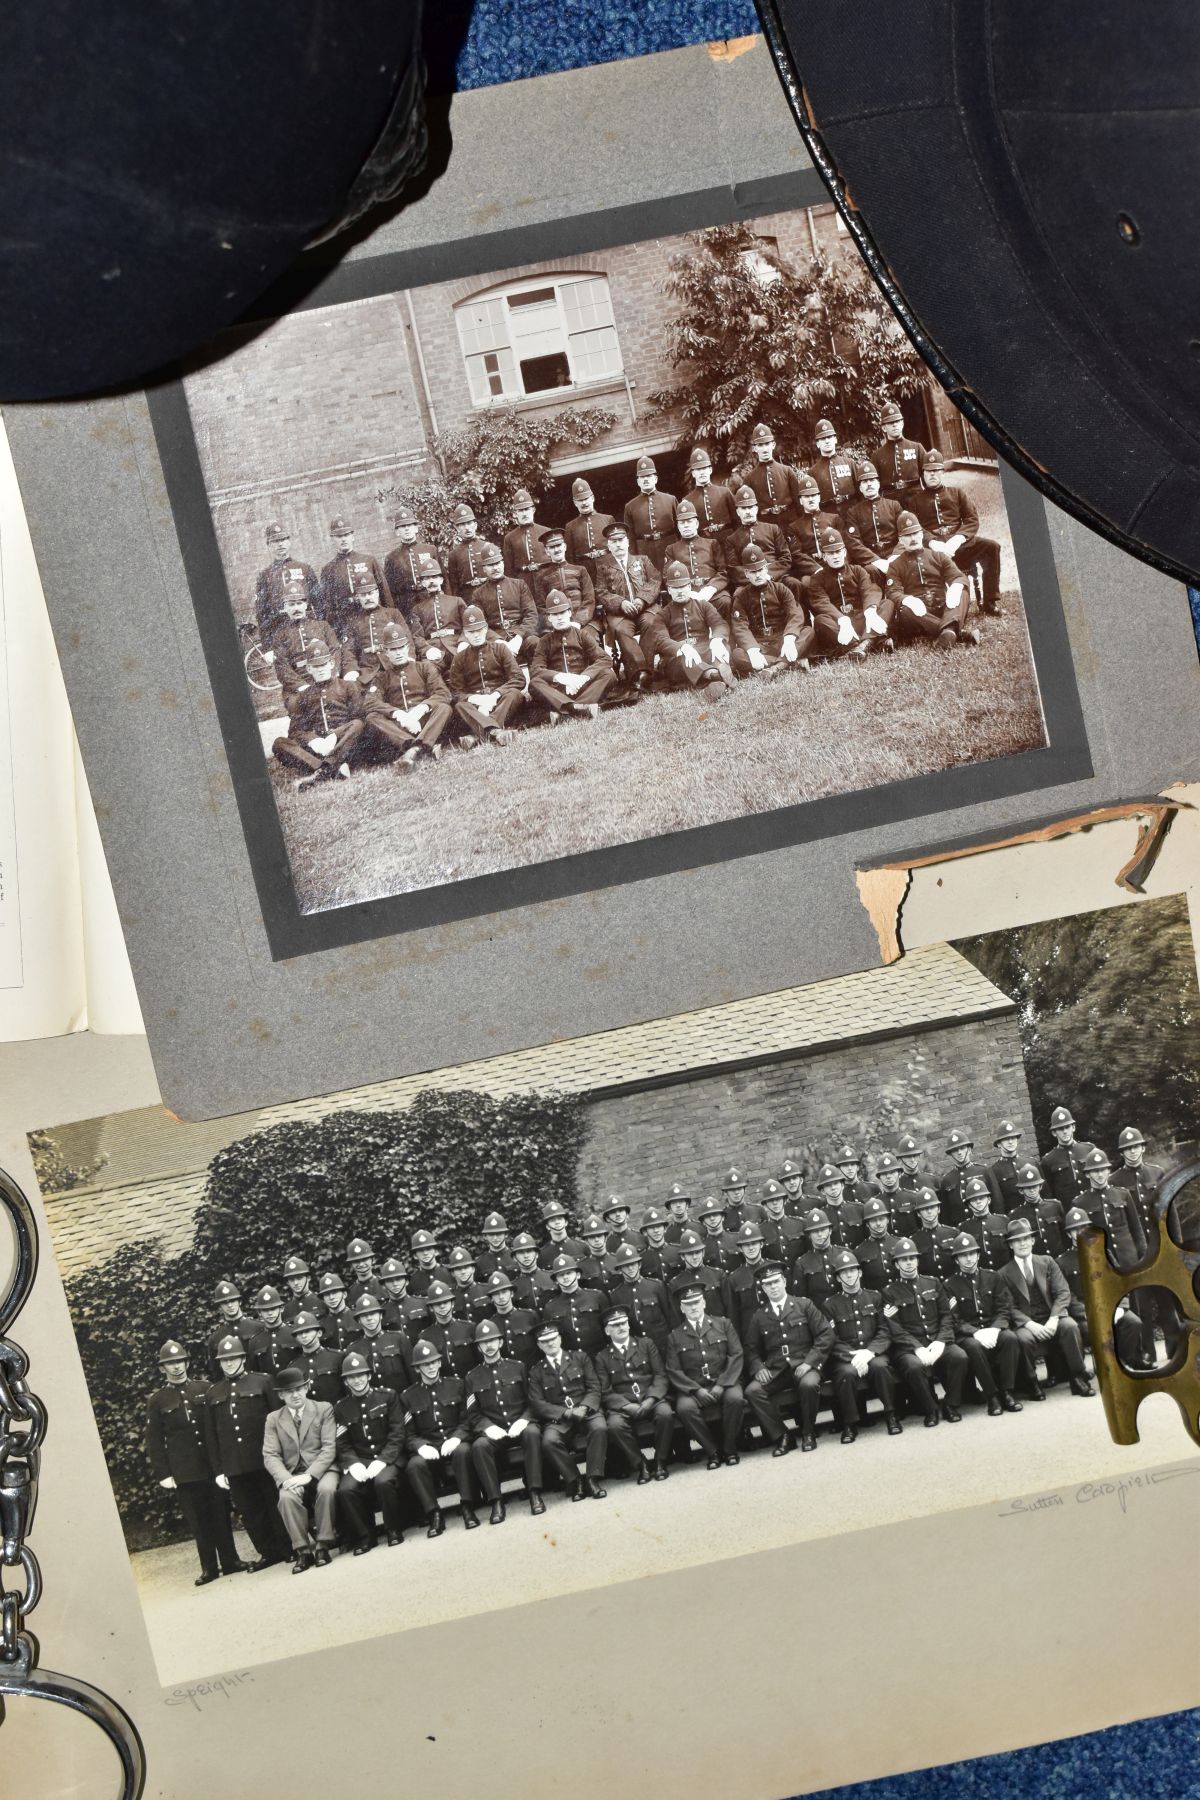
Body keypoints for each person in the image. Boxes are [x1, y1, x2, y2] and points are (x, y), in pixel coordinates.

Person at [146, 1340, 245, 1586]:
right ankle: (209, 1568)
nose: (176, 1367)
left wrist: (222, 1464)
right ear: (162, 1369)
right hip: (185, 1472)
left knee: (220, 1514)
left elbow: (216, 1428)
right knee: (198, 1521)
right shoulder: (157, 1400)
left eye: (179, 1361)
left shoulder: (205, 1388)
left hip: (210, 1466)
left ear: (187, 1362)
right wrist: (164, 1473)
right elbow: (155, 1440)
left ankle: (231, 1561)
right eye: (170, 1363)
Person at [202, 1335, 291, 1570]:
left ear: (243, 1358)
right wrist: (219, 1470)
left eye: (234, 1358)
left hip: (264, 1459)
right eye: (224, 1360)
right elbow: (211, 1434)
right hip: (235, 1464)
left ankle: (288, 1548)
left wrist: (283, 1456)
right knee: (250, 1512)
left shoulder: (262, 1382)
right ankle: (268, 1552)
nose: (229, 1363)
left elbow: (280, 1421)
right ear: (219, 1363)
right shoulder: (213, 1393)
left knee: (274, 1504)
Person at [993, 1219, 1094, 1398]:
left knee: (1070, 1326)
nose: (1022, 1243)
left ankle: (1078, 1378)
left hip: (1052, 1316)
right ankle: (1032, 1383)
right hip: (1027, 1324)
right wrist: (1030, 1324)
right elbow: (1008, 1307)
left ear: (1033, 1241)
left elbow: (1063, 1293)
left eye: (1026, 1238)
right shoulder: (1003, 1273)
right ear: (1010, 1245)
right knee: (1023, 1339)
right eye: (1017, 1240)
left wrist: (1054, 1318)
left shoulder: (1047, 1262)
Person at [744, 1262, 834, 1453]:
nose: (773, 1287)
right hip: (777, 1370)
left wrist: (810, 1362)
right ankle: (783, 1436)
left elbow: (825, 1334)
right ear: (763, 1288)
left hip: (804, 1364)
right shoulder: (759, 1316)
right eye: (768, 1284)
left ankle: (808, 1432)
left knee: (809, 1385)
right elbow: (750, 1349)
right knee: (753, 1391)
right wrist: (759, 1367)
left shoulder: (803, 1304)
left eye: (776, 1281)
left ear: (784, 1281)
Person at [881, 1238, 968, 1426]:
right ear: (896, 1263)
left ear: (918, 1261)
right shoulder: (890, 1292)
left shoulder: (933, 1283)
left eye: (912, 1258)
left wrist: (940, 1341)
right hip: (909, 1348)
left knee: (959, 1357)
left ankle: (951, 1404)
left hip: (937, 1341)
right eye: (904, 1259)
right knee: (913, 1367)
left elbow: (947, 1316)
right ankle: (930, 1409)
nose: (909, 1262)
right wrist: (917, 1348)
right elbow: (895, 1327)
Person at [261, 1367, 340, 1572]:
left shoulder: (323, 1409)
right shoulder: (273, 1418)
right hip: (292, 1474)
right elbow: (270, 1455)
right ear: (280, 1395)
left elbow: (329, 1447)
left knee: (326, 1490)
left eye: (299, 1389)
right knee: (286, 1498)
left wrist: (309, 1475)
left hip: (322, 1469)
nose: (295, 1395)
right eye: (289, 1391)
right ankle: (303, 1551)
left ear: (306, 1388)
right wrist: (286, 1479)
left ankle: (323, 1545)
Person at [466, 1319, 545, 1520]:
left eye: (493, 1340)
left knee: (533, 1432)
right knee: (479, 1446)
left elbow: (533, 1401)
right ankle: (496, 1500)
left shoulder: (518, 1367)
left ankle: (534, 1492)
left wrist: (524, 1419)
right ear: (478, 1347)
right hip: (496, 1432)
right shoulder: (472, 1377)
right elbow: (473, 1414)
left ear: (501, 1342)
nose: (489, 1346)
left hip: (520, 1425)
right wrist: (488, 1427)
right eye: (484, 1342)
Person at [909, 450, 1003, 616]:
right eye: (928, 472)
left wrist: (958, 538)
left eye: (936, 471)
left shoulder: (956, 493)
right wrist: (932, 542)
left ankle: (990, 602)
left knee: (991, 547)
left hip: (961, 545)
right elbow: (916, 528)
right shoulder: (915, 501)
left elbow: (971, 519)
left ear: (942, 472)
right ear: (923, 474)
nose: (932, 475)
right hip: (934, 550)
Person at [402, 1337, 481, 1535]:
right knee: (414, 1465)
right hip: (430, 1446)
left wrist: (457, 1437)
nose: (429, 1367)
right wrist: (420, 1446)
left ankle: (467, 1505)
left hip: (453, 1440)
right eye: (424, 1364)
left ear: (439, 1362)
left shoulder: (456, 1385)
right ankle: (434, 1514)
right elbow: (408, 1434)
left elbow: (467, 1419)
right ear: (417, 1369)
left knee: (463, 1451)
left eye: (433, 1362)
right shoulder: (407, 1396)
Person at [823, 1250, 903, 1442]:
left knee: (881, 1367)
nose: (849, 1275)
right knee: (846, 1374)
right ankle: (850, 1424)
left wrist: (869, 1352)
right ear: (838, 1277)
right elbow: (831, 1339)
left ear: (860, 1273)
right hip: (846, 1356)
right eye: (844, 1272)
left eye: (852, 1270)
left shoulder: (875, 1297)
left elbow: (884, 1330)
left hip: (873, 1352)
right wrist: (853, 1356)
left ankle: (891, 1415)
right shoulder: (830, 1305)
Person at [664, 1285, 745, 1468]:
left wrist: (721, 1385)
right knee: (685, 1408)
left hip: (724, 1382)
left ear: (704, 1303)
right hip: (695, 1388)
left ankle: (729, 1448)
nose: (693, 1307)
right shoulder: (675, 1336)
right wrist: (696, 1390)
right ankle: (713, 1451)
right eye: (688, 1304)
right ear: (681, 1308)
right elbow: (674, 1370)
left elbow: (736, 1355)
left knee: (736, 1399)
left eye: (697, 1302)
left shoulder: (723, 1324)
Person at [527, 1321, 608, 1500]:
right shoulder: (536, 1371)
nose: (550, 1343)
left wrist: (585, 1407)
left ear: (560, 1338)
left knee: (599, 1427)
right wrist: (566, 1413)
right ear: (539, 1345)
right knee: (549, 1441)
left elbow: (594, 1387)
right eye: (545, 1341)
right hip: (560, 1419)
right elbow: (537, 1403)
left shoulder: (580, 1357)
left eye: (553, 1338)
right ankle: (575, 1479)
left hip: (586, 1412)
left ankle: (593, 1478)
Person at [333, 1351, 405, 1552]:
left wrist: (383, 1460)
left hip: (387, 1457)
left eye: (360, 1375)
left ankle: (393, 1530)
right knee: (346, 1490)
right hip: (361, 1459)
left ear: (369, 1376)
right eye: (351, 1377)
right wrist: (353, 1463)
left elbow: (397, 1433)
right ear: (346, 1381)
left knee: (383, 1482)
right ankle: (366, 1536)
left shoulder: (388, 1396)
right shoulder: (341, 1408)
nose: (356, 1380)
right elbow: (342, 1442)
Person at [943, 1232, 1023, 1414]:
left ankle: (1007, 1392)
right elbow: (954, 1319)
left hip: (993, 1327)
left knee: (1009, 1338)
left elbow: (1004, 1308)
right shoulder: (949, 1285)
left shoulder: (993, 1277)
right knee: (973, 1347)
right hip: (968, 1335)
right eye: (963, 1255)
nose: (968, 1258)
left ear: (978, 1255)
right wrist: (975, 1332)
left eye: (972, 1253)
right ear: (956, 1260)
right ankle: (992, 1396)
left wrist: (995, 1329)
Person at [593, 1307, 676, 1481]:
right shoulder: (602, 1357)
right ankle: (641, 1464)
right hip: (623, 1405)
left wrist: (651, 1399)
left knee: (665, 1414)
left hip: (651, 1398)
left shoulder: (646, 1344)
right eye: (615, 1325)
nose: (621, 1327)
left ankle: (660, 1460)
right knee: (615, 1426)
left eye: (623, 1323)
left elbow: (660, 1375)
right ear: (607, 1331)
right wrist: (626, 1406)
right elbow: (605, 1391)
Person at [272, 638, 364, 790]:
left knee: (358, 725)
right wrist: (314, 741)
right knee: (280, 743)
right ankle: (330, 767)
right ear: (309, 669)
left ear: (331, 664)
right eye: (316, 666)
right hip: (318, 749)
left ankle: (324, 770)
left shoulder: (347, 687)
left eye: (323, 664)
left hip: (344, 743)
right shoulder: (304, 696)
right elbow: (295, 730)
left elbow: (359, 717)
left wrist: (335, 735)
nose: (320, 669)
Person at [361, 623, 453, 770]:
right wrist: (398, 714)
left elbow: (443, 693)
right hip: (400, 728)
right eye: (393, 649)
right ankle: (418, 745)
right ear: (386, 652)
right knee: (372, 717)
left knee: (444, 708)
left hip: (425, 722)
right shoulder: (382, 677)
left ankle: (413, 750)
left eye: (400, 648)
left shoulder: (424, 667)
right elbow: (370, 702)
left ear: (407, 647)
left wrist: (421, 709)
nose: (398, 653)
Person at [886, 512, 979, 649]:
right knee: (905, 610)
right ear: (900, 540)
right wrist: (908, 599)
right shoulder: (895, 565)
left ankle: (948, 633)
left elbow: (958, 576)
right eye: (907, 535)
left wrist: (956, 586)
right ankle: (954, 632)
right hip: (919, 615)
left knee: (962, 590)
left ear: (922, 534)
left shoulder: (939, 556)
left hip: (943, 608)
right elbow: (892, 592)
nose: (913, 538)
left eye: (916, 533)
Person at [643, 562, 735, 689]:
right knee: (685, 660)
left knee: (721, 647)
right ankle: (715, 675)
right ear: (669, 590)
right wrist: (682, 648)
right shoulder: (662, 614)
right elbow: (661, 640)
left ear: (690, 586)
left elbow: (719, 624)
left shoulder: (703, 605)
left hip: (703, 650)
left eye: (683, 586)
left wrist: (717, 640)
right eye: (675, 588)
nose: (680, 591)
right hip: (679, 657)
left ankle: (715, 678)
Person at [528, 589, 615, 719]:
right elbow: (535, 670)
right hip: (559, 691)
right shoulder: (544, 641)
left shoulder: (582, 634)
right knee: (534, 684)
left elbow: (604, 659)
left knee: (609, 674)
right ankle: (578, 708)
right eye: (555, 614)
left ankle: (567, 710)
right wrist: (560, 677)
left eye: (562, 612)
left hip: (584, 687)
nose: (559, 617)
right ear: (549, 618)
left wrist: (583, 678)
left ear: (569, 612)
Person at [446, 605, 525, 747]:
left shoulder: (500, 649)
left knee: (514, 694)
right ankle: (495, 732)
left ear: (486, 628)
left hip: (500, 701)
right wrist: (476, 699)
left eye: (479, 630)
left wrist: (494, 695)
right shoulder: (459, 658)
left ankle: (477, 736)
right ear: (465, 633)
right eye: (471, 632)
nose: (476, 635)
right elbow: (456, 692)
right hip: (476, 706)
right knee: (460, 705)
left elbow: (518, 678)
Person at [807, 528, 891, 659]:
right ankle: (873, 642)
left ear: (845, 552)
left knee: (887, 604)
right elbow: (821, 602)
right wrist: (842, 619)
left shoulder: (857, 570)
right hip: (839, 626)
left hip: (862, 619)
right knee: (820, 621)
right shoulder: (817, 579)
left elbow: (869, 590)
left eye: (838, 551)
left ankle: (860, 646)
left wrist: (870, 611)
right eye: (830, 553)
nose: (835, 556)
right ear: (824, 556)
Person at [594, 522, 661, 687]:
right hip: (620, 614)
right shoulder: (603, 566)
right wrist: (621, 603)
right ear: (609, 545)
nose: (618, 544)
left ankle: (646, 671)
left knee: (651, 623)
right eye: (614, 541)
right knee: (621, 630)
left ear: (628, 541)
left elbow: (655, 580)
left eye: (621, 540)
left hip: (645, 609)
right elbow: (601, 592)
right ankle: (639, 672)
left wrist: (641, 599)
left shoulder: (642, 560)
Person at [727, 544, 812, 674]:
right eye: (753, 572)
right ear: (746, 573)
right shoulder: (741, 596)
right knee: (738, 654)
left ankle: (775, 667)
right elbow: (740, 626)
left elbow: (795, 614)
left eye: (760, 570)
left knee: (808, 632)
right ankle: (788, 663)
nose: (758, 575)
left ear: (766, 568)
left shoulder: (781, 589)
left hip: (782, 640)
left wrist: (789, 639)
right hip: (760, 644)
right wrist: (752, 650)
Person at [1078, 1146, 1148, 1270]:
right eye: (1095, 1171)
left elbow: (1136, 1229)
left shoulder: (1123, 1194)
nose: (1100, 1174)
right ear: (1087, 1174)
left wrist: (1143, 1256)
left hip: (1129, 1258)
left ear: (1109, 1171)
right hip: (1104, 1264)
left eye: (1103, 1170)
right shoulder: (1080, 1203)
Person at [340, 574, 414, 688]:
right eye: (363, 595)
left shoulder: (393, 614)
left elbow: (407, 639)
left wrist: (409, 658)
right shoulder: (352, 622)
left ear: (377, 593)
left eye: (370, 593)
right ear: (358, 597)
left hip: (393, 665)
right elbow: (348, 649)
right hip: (367, 671)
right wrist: (351, 670)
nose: (368, 598)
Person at [318, 517, 391, 634]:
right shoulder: (328, 569)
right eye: (339, 536)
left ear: (353, 536)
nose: (343, 539)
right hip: (346, 621)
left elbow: (384, 592)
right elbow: (328, 604)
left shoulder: (369, 560)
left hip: (373, 615)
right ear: (332, 539)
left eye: (346, 535)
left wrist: (389, 616)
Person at [267, 588, 345, 695]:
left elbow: (335, 651)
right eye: (291, 605)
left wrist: (331, 676)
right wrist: (301, 686)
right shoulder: (280, 635)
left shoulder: (323, 626)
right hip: (299, 684)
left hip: (326, 677)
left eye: (299, 603)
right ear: (285, 607)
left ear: (306, 605)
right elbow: (282, 666)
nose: (296, 608)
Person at [254, 522, 319, 645]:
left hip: (307, 627)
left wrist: (321, 630)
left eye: (283, 539)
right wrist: (267, 646)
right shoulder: (264, 576)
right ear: (268, 545)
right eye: (275, 541)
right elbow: (261, 614)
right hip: (280, 631)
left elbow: (319, 603)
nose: (280, 544)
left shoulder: (305, 569)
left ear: (289, 541)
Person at [474, 541, 539, 662]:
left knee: (535, 643)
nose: (495, 568)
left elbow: (531, 615)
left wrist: (519, 637)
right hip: (496, 638)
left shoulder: (519, 585)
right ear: (484, 568)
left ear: (503, 563)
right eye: (490, 564)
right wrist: (498, 641)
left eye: (498, 563)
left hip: (521, 635)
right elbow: (481, 624)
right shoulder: (478, 594)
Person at [734, 422, 805, 533]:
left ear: (773, 445)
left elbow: (798, 501)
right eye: (760, 445)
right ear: (755, 448)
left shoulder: (787, 471)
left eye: (767, 444)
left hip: (790, 523)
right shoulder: (750, 478)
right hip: (766, 527)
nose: (764, 449)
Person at [662, 498, 730, 611]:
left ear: (696, 523)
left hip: (711, 591)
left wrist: (711, 588)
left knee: (725, 602)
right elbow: (667, 577)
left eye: (689, 521)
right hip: (686, 593)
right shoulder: (671, 549)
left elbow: (723, 571)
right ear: (678, 526)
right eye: (682, 523)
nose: (686, 525)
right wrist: (687, 592)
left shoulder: (712, 543)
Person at [844, 461, 904, 583]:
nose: (869, 484)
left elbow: (904, 533)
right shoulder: (853, 512)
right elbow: (853, 542)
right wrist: (875, 560)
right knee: (870, 570)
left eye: (872, 480)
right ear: (860, 488)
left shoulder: (893, 505)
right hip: (871, 557)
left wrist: (895, 555)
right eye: (864, 482)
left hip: (893, 552)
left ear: (878, 483)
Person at [608, 1243, 673, 1354]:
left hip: (662, 1345)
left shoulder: (656, 1286)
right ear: (620, 1269)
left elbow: (670, 1316)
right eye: (626, 1265)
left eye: (633, 1264)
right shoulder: (616, 1295)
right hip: (638, 1350)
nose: (630, 1268)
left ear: (639, 1265)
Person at [383, 505, 443, 623]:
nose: (407, 529)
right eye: (402, 526)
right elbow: (390, 591)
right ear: (397, 532)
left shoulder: (430, 550)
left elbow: (444, 578)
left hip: (430, 597)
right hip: (407, 605)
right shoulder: (392, 558)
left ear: (416, 528)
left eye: (410, 525)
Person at [725, 486, 795, 585]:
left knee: (794, 584)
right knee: (738, 594)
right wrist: (754, 578)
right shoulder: (732, 539)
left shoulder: (773, 529)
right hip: (749, 583)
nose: (748, 511)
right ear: (737, 512)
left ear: (756, 509)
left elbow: (785, 557)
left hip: (775, 577)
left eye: (750, 507)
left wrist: (769, 575)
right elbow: (733, 568)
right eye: (743, 508)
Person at [346, 1292, 412, 1394]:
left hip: (402, 1400)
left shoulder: (398, 1338)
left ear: (381, 1315)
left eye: (373, 1313)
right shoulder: (354, 1349)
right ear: (359, 1320)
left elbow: (412, 1373)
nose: (369, 1318)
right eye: (364, 1315)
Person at [530, 528, 596, 630]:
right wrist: (555, 624)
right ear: (547, 551)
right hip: (556, 626)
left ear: (564, 546)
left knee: (590, 640)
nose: (556, 550)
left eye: (559, 545)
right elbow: (541, 608)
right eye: (552, 547)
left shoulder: (580, 570)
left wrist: (578, 622)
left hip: (583, 624)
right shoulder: (542, 577)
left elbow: (589, 599)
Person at [543, 1254, 607, 1359]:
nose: (565, 1277)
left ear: (578, 1275)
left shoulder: (597, 1296)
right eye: (561, 1275)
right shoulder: (550, 1307)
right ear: (555, 1280)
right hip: (571, 1362)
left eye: (569, 1273)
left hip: (599, 1356)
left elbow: (608, 1328)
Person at [623, 455, 678, 571]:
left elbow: (679, 530)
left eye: (649, 476)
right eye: (642, 477)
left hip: (669, 547)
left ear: (656, 479)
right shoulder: (630, 507)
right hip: (644, 551)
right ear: (638, 481)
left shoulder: (671, 500)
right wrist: (634, 559)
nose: (646, 479)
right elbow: (630, 538)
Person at [409, 556, 466, 665]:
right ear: (422, 583)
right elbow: (416, 636)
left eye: (434, 577)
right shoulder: (417, 609)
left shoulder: (457, 601)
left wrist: (463, 642)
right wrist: (426, 649)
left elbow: (468, 625)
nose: (431, 581)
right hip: (434, 650)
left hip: (456, 646)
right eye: (426, 578)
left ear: (441, 579)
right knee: (428, 670)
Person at [1039, 1105, 1099, 1206]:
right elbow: (1049, 1194)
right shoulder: (1048, 1160)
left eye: (1067, 1127)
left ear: (1073, 1127)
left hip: (1094, 1206)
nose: (1065, 1131)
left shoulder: (1089, 1149)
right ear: (1054, 1133)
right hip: (1069, 1211)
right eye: (1060, 1129)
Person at [938, 1128, 999, 1227]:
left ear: (969, 1150)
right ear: (950, 1155)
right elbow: (946, 1214)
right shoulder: (947, 1180)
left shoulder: (984, 1171)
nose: (959, 1152)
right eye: (955, 1150)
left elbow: (997, 1202)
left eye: (962, 1148)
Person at [1007, 1162, 1068, 1258]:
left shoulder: (1055, 1206)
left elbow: (1066, 1236)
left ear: (1041, 1186)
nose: (1032, 1190)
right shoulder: (1015, 1215)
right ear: (1021, 1190)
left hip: (1059, 1259)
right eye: (1027, 1187)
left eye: (1035, 1186)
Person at [869, 401, 926, 501]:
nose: (895, 425)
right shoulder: (877, 455)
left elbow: (927, 474)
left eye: (897, 421)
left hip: (915, 497)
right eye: (890, 423)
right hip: (890, 499)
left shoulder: (917, 447)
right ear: (884, 428)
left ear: (902, 423)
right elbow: (875, 483)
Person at [423, 1279, 478, 1383]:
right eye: (437, 1304)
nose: (442, 1306)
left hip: (472, 1383)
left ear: (452, 1303)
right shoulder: (425, 1337)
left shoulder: (469, 1328)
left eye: (445, 1302)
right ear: (431, 1308)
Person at [681, 447, 738, 540]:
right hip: (705, 545)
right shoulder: (687, 501)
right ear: (693, 473)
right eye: (698, 470)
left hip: (728, 540)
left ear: (710, 470)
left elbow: (737, 520)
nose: (702, 472)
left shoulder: (724, 492)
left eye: (704, 468)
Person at [792, 1206, 843, 1309]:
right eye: (815, 1231)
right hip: (819, 1314)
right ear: (809, 1235)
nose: (820, 1234)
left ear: (830, 1231)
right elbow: (802, 1300)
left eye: (823, 1229)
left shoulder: (844, 1254)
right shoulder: (802, 1263)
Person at [204, 1280, 257, 1380]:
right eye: (225, 1302)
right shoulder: (215, 1338)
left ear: (240, 1301)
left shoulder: (257, 1327)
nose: (229, 1305)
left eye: (233, 1300)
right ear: (220, 1306)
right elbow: (217, 1374)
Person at [959, 1175, 1012, 1273]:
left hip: (1007, 1274)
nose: (978, 1202)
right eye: (974, 1199)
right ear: (969, 1205)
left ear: (989, 1200)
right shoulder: (964, 1228)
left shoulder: (1004, 1221)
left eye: (981, 1198)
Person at [246, 1285, 299, 1380]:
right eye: (265, 1310)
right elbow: (254, 1374)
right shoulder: (254, 1342)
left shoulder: (295, 1333)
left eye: (273, 1308)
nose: (270, 1313)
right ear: (259, 1313)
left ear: (281, 1309)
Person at [502, 488, 552, 587]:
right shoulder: (509, 538)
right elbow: (509, 570)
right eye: (520, 510)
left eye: (527, 509)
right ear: (515, 513)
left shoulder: (546, 531)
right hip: (523, 584)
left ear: (533, 510)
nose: (524, 513)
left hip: (546, 580)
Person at [809, 418, 859, 515]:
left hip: (852, 513)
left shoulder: (850, 463)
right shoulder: (813, 472)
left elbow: (860, 491)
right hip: (828, 516)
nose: (827, 441)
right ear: (818, 444)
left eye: (829, 437)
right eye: (823, 439)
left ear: (835, 439)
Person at [563, 478, 615, 569]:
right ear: (575, 503)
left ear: (592, 498)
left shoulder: (608, 519)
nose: (584, 503)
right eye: (580, 500)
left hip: (609, 567)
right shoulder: (570, 527)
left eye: (586, 498)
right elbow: (569, 557)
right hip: (586, 571)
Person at [910, 1189, 959, 1281]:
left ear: (939, 1209)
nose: (929, 1211)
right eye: (924, 1209)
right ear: (918, 1213)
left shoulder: (954, 1233)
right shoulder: (913, 1241)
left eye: (932, 1207)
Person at [445, 503, 489, 599]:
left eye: (469, 523)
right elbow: (454, 585)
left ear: (475, 525)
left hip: (488, 594)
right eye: (462, 524)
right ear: (456, 528)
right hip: (467, 598)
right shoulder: (453, 555)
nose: (467, 528)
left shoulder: (486, 546)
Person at [315, 1271, 359, 1352]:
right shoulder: (320, 1325)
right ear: (323, 1299)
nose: (331, 1297)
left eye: (335, 1292)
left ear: (344, 1294)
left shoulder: (358, 1316)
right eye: (327, 1294)